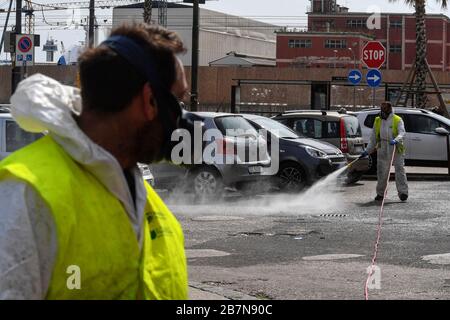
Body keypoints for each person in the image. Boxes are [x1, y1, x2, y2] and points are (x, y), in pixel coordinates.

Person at [0, 23, 189, 299]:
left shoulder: (148, 204)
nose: (182, 119)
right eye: (179, 101)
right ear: (150, 101)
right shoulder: (27, 197)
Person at [360, 101, 408, 202]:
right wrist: (367, 151)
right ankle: (380, 194)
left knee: (399, 170)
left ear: (390, 109)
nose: (382, 111)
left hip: (396, 148)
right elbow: (373, 139)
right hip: (383, 148)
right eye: (381, 109)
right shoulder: (378, 120)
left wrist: (396, 139)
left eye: (384, 109)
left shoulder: (397, 120)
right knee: (382, 172)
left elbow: (402, 132)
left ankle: (403, 192)